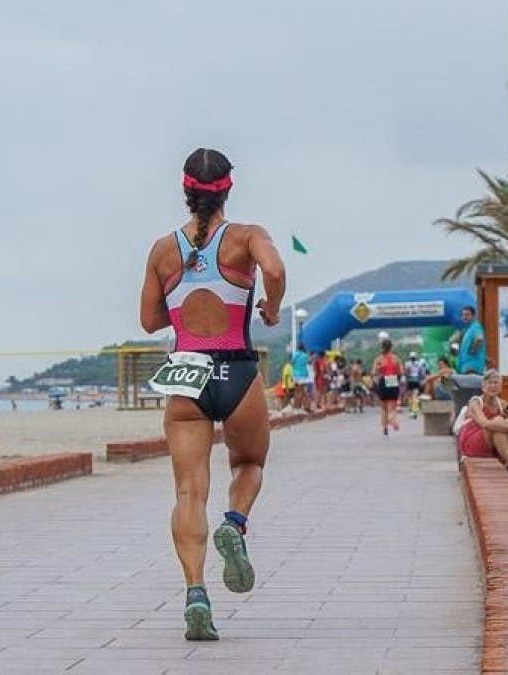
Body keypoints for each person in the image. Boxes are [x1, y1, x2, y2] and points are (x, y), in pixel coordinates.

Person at [140, 147, 285, 641]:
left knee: (187, 491)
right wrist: (271, 308)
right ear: (228, 189)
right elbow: (277, 271)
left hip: (186, 373)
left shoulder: (163, 249)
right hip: (237, 369)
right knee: (249, 464)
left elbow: (149, 319)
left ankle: (195, 591)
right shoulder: (247, 237)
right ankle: (235, 523)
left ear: (186, 192)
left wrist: (184, 309)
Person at [455, 369, 508, 474]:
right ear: (483, 386)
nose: (493, 386)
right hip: (473, 442)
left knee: (507, 424)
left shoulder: (502, 404)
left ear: (501, 387)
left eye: (496, 383)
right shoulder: (475, 402)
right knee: (500, 422)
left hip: (494, 442)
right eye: (490, 383)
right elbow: (484, 424)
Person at [372, 338, 403, 435]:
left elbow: (373, 373)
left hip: (383, 381)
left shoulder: (378, 359)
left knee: (384, 407)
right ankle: (392, 419)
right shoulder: (396, 358)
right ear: (391, 347)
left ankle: (385, 427)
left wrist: (379, 369)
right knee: (392, 407)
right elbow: (401, 372)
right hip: (393, 380)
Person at [457, 306, 486, 374]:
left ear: (473, 316)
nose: (464, 317)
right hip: (466, 366)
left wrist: (473, 350)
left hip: (471, 367)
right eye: (463, 315)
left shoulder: (475, 326)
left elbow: (479, 338)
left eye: (467, 314)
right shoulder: (469, 329)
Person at [290, 342, 313, 412]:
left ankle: (296, 406)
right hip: (302, 375)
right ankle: (298, 407)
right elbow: (309, 362)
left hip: (295, 374)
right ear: (303, 348)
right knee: (301, 391)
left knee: (296, 391)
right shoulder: (304, 355)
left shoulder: (295, 354)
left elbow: (291, 363)